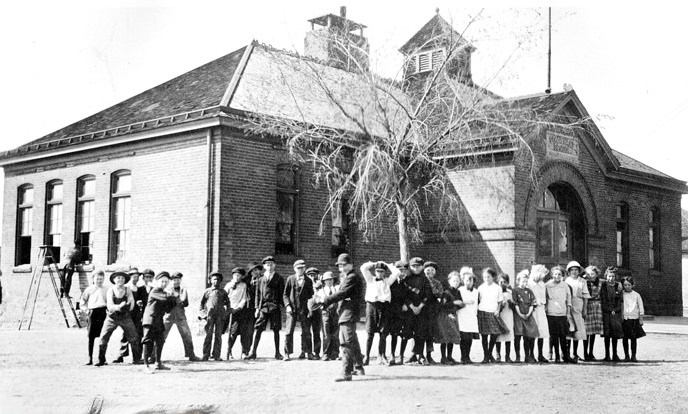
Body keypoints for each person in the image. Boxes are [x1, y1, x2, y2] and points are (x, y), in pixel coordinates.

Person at [314, 253, 365, 382]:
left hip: (348, 312)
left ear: (351, 264)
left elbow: (342, 293)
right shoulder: (349, 277)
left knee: (346, 341)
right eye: (340, 266)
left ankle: (346, 372)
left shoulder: (352, 277)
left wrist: (325, 300)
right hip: (346, 311)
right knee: (352, 339)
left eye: (344, 265)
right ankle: (358, 366)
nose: (341, 268)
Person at [96, 271, 143, 366]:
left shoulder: (127, 289)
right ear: (114, 280)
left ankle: (136, 359)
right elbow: (110, 305)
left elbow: (131, 302)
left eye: (122, 278)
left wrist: (128, 307)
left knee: (134, 337)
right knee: (103, 337)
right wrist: (119, 307)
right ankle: (101, 360)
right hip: (112, 317)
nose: (120, 280)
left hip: (125, 317)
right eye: (118, 278)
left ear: (125, 280)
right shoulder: (111, 290)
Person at [360, 260, 400, 365]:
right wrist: (374, 263)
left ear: (385, 272)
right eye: (378, 271)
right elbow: (363, 268)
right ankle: (367, 356)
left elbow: (396, 273)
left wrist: (387, 264)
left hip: (385, 307)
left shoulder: (388, 281)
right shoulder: (370, 279)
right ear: (375, 271)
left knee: (383, 333)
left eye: (382, 271)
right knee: (370, 333)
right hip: (372, 306)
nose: (380, 273)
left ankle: (382, 356)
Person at [248, 256, 285, 360]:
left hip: (275, 307)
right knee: (258, 329)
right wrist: (257, 308)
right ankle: (253, 352)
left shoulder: (279, 278)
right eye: (267, 264)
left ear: (275, 265)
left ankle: (278, 353)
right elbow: (257, 295)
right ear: (264, 266)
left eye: (272, 264)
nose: (270, 266)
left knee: (276, 330)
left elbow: (282, 293)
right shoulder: (260, 279)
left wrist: (281, 305)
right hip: (263, 307)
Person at [142, 271, 180, 373]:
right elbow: (165, 298)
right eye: (162, 281)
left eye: (166, 282)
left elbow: (168, 308)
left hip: (158, 320)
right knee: (148, 342)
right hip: (150, 319)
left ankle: (158, 363)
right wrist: (172, 295)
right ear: (157, 282)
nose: (164, 283)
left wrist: (173, 298)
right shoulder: (155, 290)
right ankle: (146, 366)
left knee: (160, 341)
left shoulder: (164, 292)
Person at [162, 272, 200, 362]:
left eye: (178, 280)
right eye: (174, 280)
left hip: (180, 316)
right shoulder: (167, 290)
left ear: (180, 280)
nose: (176, 282)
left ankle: (191, 355)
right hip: (168, 316)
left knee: (187, 335)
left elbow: (186, 303)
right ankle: (154, 356)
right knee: (161, 335)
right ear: (171, 281)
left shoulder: (183, 290)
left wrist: (180, 298)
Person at [282, 259, 315, 361]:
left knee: (306, 331)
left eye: (302, 268)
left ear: (305, 268)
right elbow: (285, 294)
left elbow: (311, 296)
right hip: (292, 309)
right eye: (298, 268)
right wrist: (287, 305)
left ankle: (307, 352)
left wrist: (310, 309)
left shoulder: (308, 281)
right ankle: (287, 353)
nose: (300, 270)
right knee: (288, 331)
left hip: (304, 309)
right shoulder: (290, 279)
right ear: (294, 269)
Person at [404, 257, 433, 365]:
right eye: (413, 266)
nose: (415, 268)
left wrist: (419, 307)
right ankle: (413, 354)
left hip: (422, 310)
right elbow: (405, 295)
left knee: (421, 332)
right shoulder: (407, 279)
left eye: (418, 266)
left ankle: (420, 355)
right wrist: (412, 307)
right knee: (410, 332)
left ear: (422, 267)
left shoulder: (425, 280)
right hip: (410, 310)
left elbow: (427, 295)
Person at [114, 268, 145, 364]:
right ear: (130, 277)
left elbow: (141, 300)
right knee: (126, 334)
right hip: (128, 313)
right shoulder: (127, 288)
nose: (135, 279)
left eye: (137, 277)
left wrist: (140, 302)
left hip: (136, 314)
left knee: (138, 334)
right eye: (133, 277)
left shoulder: (139, 289)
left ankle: (137, 356)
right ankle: (121, 355)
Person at [545, 265, 574, 364]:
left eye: (559, 274)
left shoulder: (565, 285)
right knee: (554, 335)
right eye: (555, 274)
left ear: (562, 276)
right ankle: (556, 355)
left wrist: (568, 313)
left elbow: (569, 300)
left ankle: (565, 355)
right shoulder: (547, 285)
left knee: (563, 335)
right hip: (551, 313)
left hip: (562, 313)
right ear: (552, 275)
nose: (557, 276)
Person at [79, 270, 108, 365]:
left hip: (103, 312)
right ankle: (89, 358)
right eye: (97, 278)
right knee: (91, 337)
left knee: (103, 337)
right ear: (93, 279)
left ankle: (102, 358)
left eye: (101, 278)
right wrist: (87, 311)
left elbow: (109, 301)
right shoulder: (89, 289)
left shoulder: (106, 289)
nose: (99, 281)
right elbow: (82, 302)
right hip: (93, 313)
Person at [225, 267, 254, 360]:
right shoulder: (228, 285)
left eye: (239, 276)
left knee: (243, 331)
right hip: (230, 310)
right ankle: (229, 351)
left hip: (240, 311)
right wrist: (228, 308)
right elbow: (224, 297)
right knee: (232, 332)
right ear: (233, 275)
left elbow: (244, 298)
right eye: (236, 275)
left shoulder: (243, 285)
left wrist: (239, 307)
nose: (237, 277)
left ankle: (244, 352)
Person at [199, 271, 229, 361]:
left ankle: (216, 355)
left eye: (218, 280)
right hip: (210, 316)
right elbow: (201, 303)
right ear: (211, 281)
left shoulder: (223, 292)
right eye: (214, 279)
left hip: (220, 316)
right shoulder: (207, 292)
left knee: (218, 335)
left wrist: (227, 312)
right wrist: (203, 314)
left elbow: (228, 303)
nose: (216, 281)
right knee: (208, 335)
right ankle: (205, 354)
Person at [477, 267, 504, 363]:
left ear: (493, 277)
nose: (486, 279)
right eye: (484, 277)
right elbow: (478, 301)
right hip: (483, 311)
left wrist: (497, 310)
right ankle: (486, 356)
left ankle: (489, 353)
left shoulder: (497, 288)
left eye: (488, 277)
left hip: (493, 312)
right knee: (484, 335)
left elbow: (500, 301)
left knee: (494, 334)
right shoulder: (480, 288)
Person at [512, 270, 539, 363]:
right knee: (518, 336)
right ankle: (518, 356)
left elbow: (532, 303)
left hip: (528, 315)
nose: (524, 283)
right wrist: (520, 314)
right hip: (519, 315)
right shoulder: (515, 290)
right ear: (518, 281)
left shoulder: (529, 291)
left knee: (530, 335)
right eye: (523, 281)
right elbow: (515, 304)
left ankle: (529, 355)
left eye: (526, 282)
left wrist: (528, 314)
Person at [436, 271, 463, 364]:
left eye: (457, 281)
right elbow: (442, 305)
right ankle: (443, 358)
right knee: (445, 337)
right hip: (445, 316)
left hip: (453, 316)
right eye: (454, 281)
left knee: (452, 337)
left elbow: (460, 303)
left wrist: (460, 305)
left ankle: (449, 356)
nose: (456, 282)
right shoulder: (446, 293)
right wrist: (453, 303)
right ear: (449, 281)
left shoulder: (458, 292)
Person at [564, 261, 589, 362]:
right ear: (569, 271)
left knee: (578, 330)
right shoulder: (566, 281)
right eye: (572, 270)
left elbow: (585, 296)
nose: (574, 272)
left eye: (576, 270)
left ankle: (575, 353)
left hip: (578, 305)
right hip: (568, 306)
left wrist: (585, 309)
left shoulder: (582, 281)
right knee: (570, 329)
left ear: (579, 271)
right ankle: (567, 353)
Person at [388, 260, 411, 365]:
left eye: (404, 271)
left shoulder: (408, 282)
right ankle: (392, 354)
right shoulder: (391, 282)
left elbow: (411, 295)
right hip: (394, 311)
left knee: (405, 334)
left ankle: (401, 356)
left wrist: (407, 304)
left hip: (406, 311)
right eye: (400, 270)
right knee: (394, 333)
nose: (402, 273)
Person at [600, 266, 624, 362]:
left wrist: (617, 310)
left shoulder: (618, 286)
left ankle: (615, 354)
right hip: (606, 313)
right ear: (606, 276)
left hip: (616, 313)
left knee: (615, 334)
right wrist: (608, 310)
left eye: (613, 276)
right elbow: (603, 300)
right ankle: (607, 355)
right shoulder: (603, 286)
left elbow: (620, 300)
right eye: (609, 276)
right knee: (607, 335)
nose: (611, 278)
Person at [528, 264, 550, 363]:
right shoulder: (529, 284)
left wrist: (544, 306)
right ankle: (531, 354)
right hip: (532, 310)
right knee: (533, 333)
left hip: (541, 310)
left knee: (542, 332)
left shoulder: (542, 284)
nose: (542, 277)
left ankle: (540, 354)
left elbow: (545, 297)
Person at [457, 267, 479, 364]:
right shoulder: (460, 290)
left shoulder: (476, 291)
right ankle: (463, 357)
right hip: (462, 316)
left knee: (469, 338)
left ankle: (468, 356)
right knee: (464, 337)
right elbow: (457, 302)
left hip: (471, 317)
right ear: (463, 281)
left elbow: (476, 304)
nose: (469, 282)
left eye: (471, 280)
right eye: (467, 280)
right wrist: (466, 302)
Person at [621, 276, 645, 362]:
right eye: (625, 285)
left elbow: (641, 307)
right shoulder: (622, 294)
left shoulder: (636, 295)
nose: (627, 286)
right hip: (625, 319)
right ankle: (626, 355)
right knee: (625, 338)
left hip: (634, 319)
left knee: (633, 338)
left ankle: (633, 356)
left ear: (632, 285)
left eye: (629, 285)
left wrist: (641, 318)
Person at [423, 261, 442, 364]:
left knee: (430, 334)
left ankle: (429, 355)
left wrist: (433, 287)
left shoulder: (437, 283)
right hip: (421, 310)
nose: (430, 271)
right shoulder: (421, 281)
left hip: (432, 310)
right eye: (428, 269)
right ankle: (418, 355)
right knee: (420, 333)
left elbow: (439, 295)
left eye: (432, 270)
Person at [318, 271, 340, 361]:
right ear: (324, 281)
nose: (329, 282)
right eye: (327, 280)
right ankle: (326, 353)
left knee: (335, 334)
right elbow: (317, 301)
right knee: (326, 334)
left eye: (331, 280)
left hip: (336, 313)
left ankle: (335, 353)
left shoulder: (337, 289)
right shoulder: (321, 291)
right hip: (326, 313)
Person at [583, 265, 603, 360]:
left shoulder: (600, 282)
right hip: (588, 305)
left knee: (594, 332)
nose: (591, 275)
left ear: (596, 274)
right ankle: (585, 352)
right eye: (589, 274)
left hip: (597, 307)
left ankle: (591, 352)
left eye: (593, 273)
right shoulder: (585, 283)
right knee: (587, 331)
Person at [495, 273, 514, 363]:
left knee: (508, 336)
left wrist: (511, 304)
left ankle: (507, 356)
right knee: (498, 336)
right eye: (500, 282)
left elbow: (514, 306)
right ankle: (498, 354)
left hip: (508, 315)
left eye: (504, 282)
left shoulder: (510, 292)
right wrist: (500, 306)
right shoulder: (496, 292)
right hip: (499, 316)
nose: (502, 283)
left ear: (508, 283)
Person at [305, 267, 323, 360]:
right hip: (307, 310)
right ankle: (308, 352)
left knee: (316, 332)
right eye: (310, 275)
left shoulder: (320, 285)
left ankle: (317, 352)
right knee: (306, 332)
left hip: (317, 310)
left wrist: (318, 285)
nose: (312, 277)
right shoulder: (305, 284)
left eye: (314, 275)